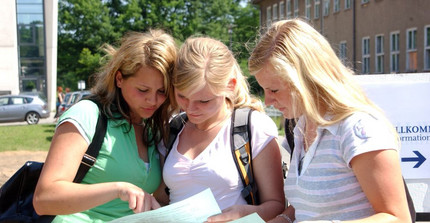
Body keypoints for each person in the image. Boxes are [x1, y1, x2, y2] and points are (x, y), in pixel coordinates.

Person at [248, 19, 411, 223]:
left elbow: (397, 218)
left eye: (274, 90)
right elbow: (309, 207)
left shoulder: (358, 128)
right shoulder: (300, 127)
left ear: (308, 79)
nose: (268, 100)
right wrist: (284, 219)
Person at [33, 29, 177, 222]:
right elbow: (44, 199)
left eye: (162, 91)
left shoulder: (153, 127)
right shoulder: (87, 114)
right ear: (119, 79)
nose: (152, 100)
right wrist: (118, 189)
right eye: (143, 90)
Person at [157, 36, 285, 222]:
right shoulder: (173, 128)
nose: (190, 108)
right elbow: (163, 198)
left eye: (204, 101)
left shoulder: (253, 127)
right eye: (182, 96)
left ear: (230, 86)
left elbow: (276, 205)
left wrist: (241, 214)